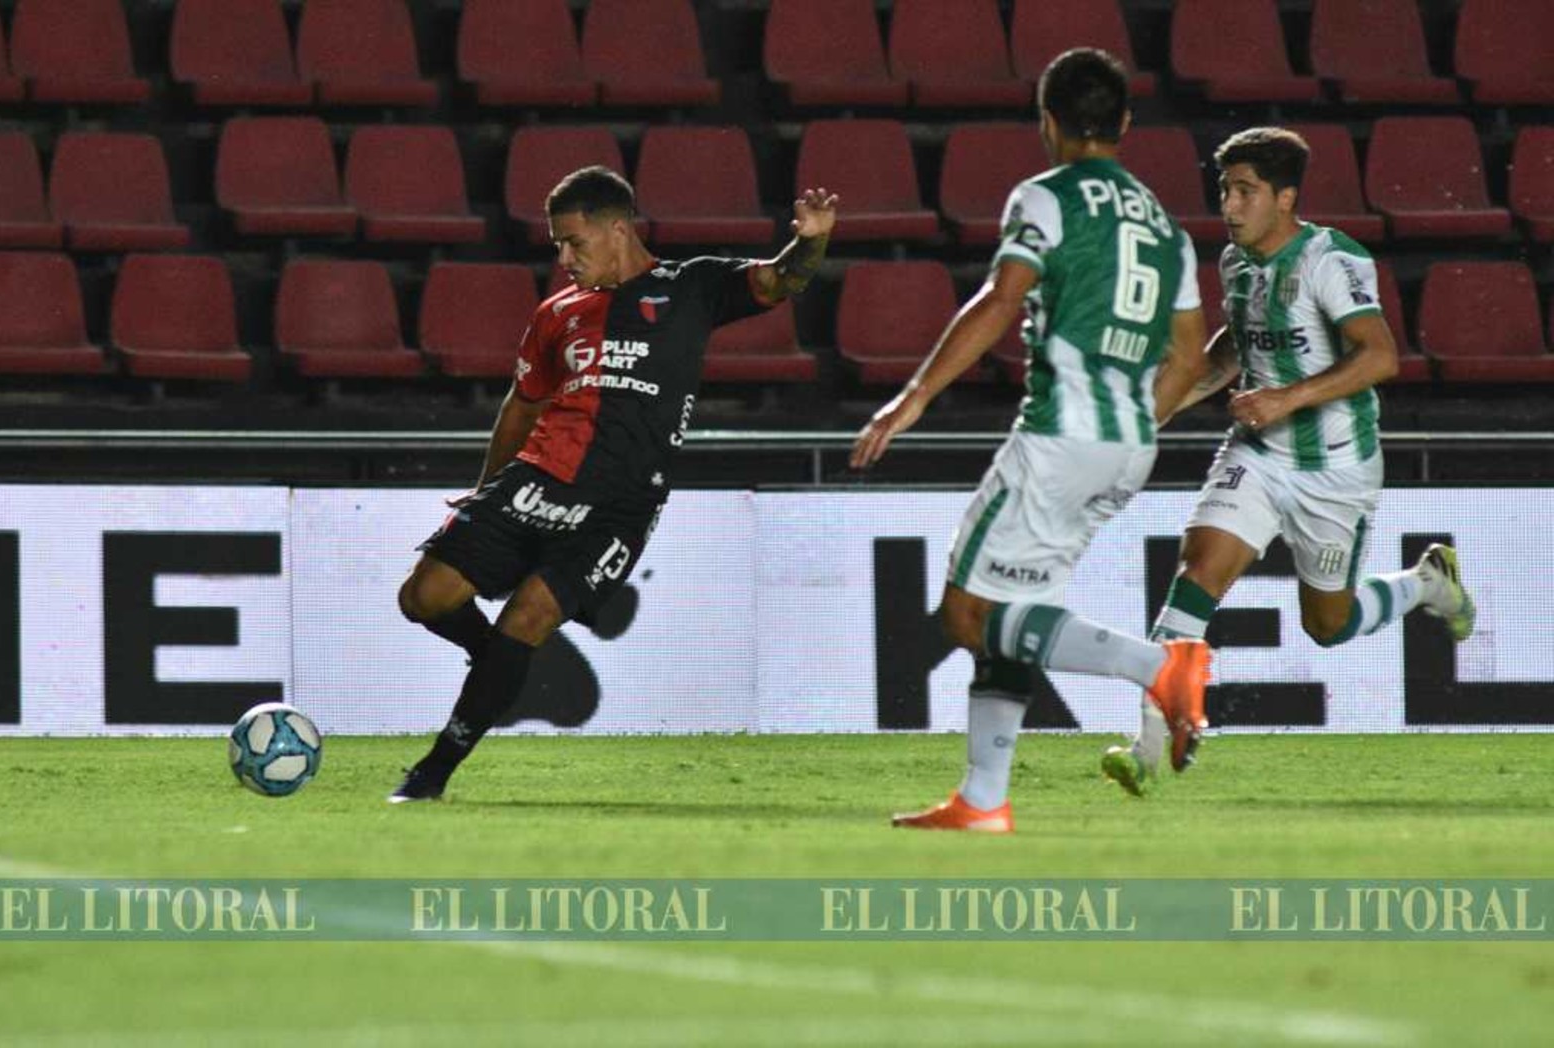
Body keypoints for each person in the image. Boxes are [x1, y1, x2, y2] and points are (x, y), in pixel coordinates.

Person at [849, 48, 1213, 833]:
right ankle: (983, 798)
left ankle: (1160, 667)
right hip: (1130, 442)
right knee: (1014, 614)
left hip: (1057, 437)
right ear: (1121, 124)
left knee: (965, 616)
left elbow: (998, 299)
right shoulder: (1168, 230)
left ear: (1046, 122)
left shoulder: (1045, 198)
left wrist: (912, 397)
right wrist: (1134, 420)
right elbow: (1188, 354)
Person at [389, 166, 837, 802]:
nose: (565, 258)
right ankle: (494, 658)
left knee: (532, 614)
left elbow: (780, 278)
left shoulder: (693, 286)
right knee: (423, 597)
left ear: (618, 229)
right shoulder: (557, 314)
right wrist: (486, 488)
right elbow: (522, 405)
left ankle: (431, 774)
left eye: (575, 242)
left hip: (619, 505)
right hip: (537, 479)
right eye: (558, 246)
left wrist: (811, 240)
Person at [1100, 127, 1476, 796]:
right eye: (1224, 190)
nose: (1230, 205)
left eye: (1245, 192)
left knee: (1326, 626)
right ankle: (1147, 751)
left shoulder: (1330, 260)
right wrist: (1153, 411)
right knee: (1195, 576)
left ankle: (1426, 581)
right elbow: (1229, 351)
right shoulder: (1237, 264)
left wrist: (1287, 398)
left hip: (1335, 468)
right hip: (1258, 455)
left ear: (1284, 198)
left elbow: (1380, 356)